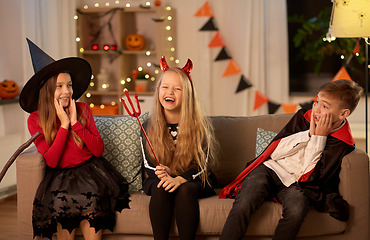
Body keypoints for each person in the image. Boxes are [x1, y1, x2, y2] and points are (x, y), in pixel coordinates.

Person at [219, 79, 363, 240]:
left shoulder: (342, 143)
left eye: (325, 106)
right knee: (245, 201)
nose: (316, 110)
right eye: (317, 102)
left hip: (296, 183)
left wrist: (319, 139)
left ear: (343, 113)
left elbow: (310, 176)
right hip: (270, 169)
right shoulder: (303, 117)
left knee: (297, 210)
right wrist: (308, 134)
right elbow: (275, 152)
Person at [19, 38, 130, 240]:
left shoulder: (83, 109)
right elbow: (52, 160)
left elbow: (98, 150)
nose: (67, 91)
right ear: (47, 90)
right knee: (61, 206)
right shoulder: (35, 119)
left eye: (69, 85)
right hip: (60, 177)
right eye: (59, 86)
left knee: (93, 200)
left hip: (90, 171)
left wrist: (75, 123)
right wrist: (63, 125)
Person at [140, 56, 218, 240]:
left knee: (184, 190)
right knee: (160, 188)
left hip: (194, 179)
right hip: (159, 179)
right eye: (165, 87)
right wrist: (164, 174)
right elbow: (147, 165)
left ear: (188, 95)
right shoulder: (148, 126)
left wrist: (180, 179)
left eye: (177, 89)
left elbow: (203, 165)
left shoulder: (200, 126)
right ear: (158, 91)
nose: (170, 92)